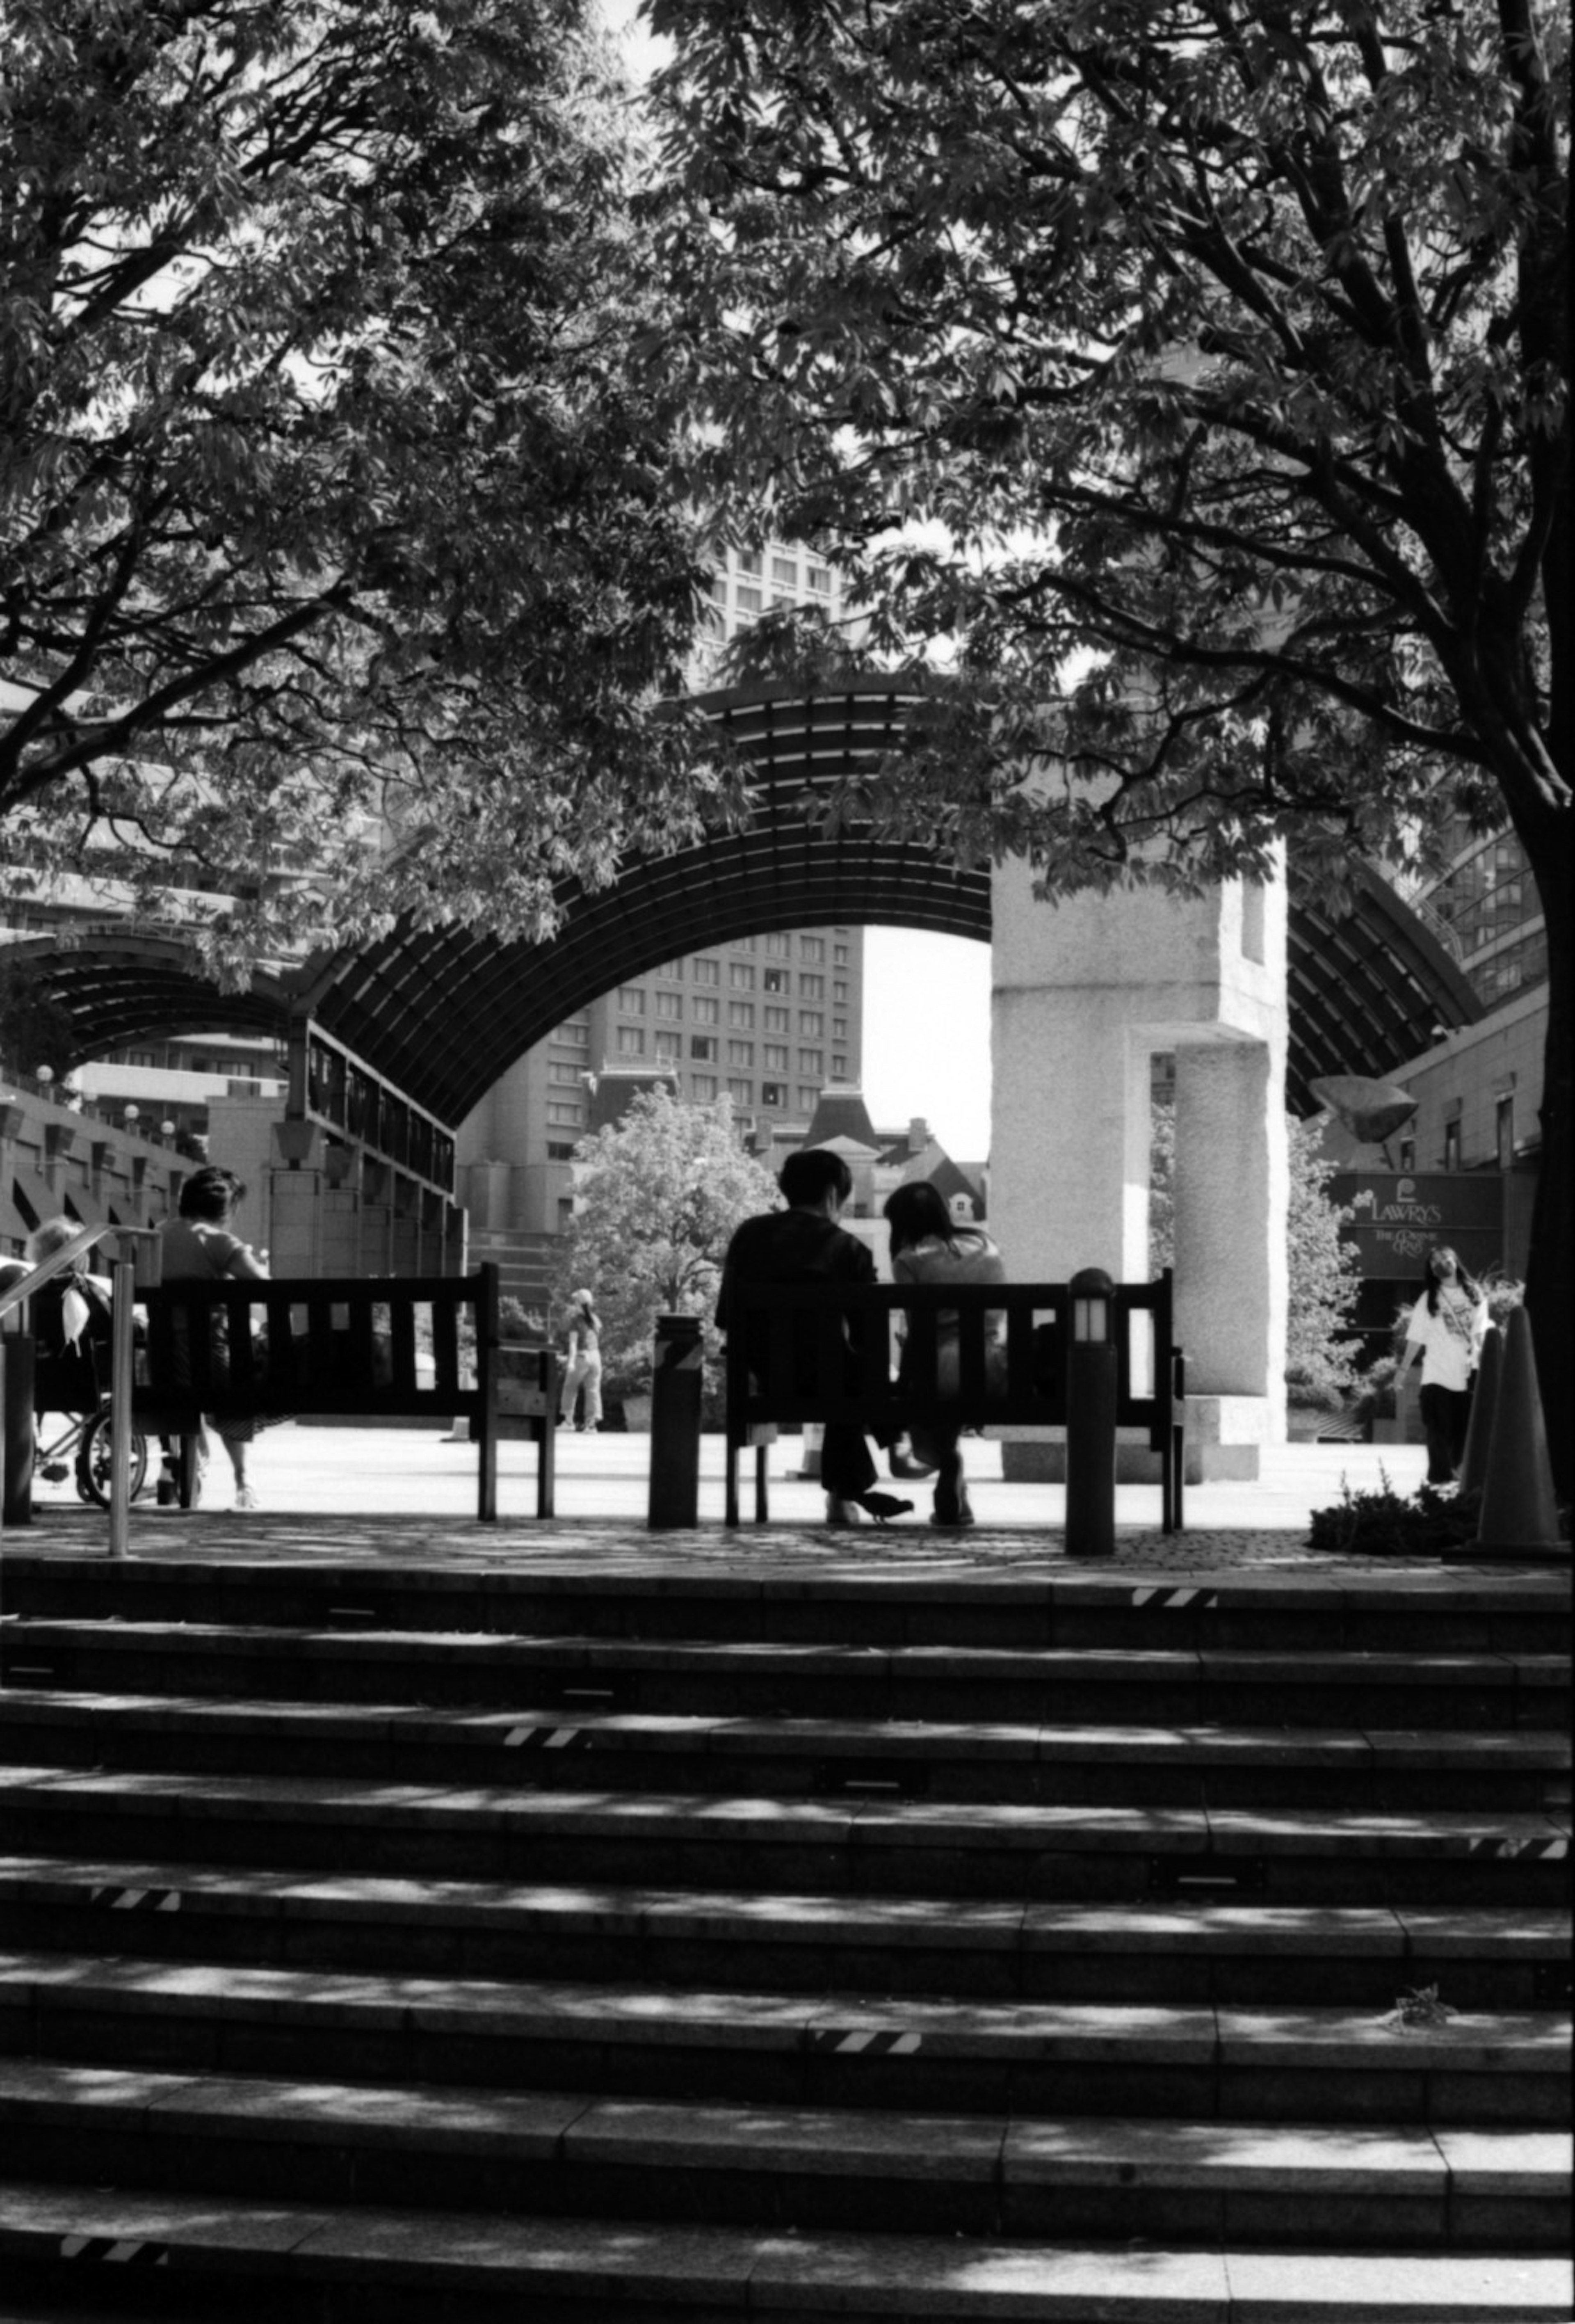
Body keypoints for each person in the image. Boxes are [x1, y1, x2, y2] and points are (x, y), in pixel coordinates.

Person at [717, 1147, 911, 1527]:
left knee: (845, 1372)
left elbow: (726, 1317)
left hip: (762, 1375)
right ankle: (846, 1493)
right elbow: (868, 1336)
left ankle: (853, 1487)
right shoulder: (848, 1249)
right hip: (830, 1380)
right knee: (851, 1372)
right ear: (832, 1195)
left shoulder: (748, 1235)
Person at [884, 1182, 1008, 1528]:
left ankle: (946, 1459)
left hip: (942, 1370)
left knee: (927, 1386)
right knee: (947, 1386)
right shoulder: (986, 1244)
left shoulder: (909, 1260)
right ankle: (960, 1500)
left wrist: (905, 1377)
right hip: (996, 1369)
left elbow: (919, 1333)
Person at [158, 1165, 269, 1510]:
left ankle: (183, 1463)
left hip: (163, 1362)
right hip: (212, 1361)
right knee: (235, 1392)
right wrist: (259, 1261)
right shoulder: (221, 1242)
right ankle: (243, 1479)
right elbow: (267, 1289)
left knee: (187, 1391)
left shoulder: (158, 1233)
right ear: (228, 1208)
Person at [1397, 1245, 1488, 1487]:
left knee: (1462, 1427)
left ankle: (1457, 1472)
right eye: (1435, 1261)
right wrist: (1403, 1370)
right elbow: (1416, 1336)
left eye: (1445, 1258)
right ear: (1432, 1271)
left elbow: (1480, 1333)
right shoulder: (1429, 1298)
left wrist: (1479, 1361)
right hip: (1436, 1374)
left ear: (1456, 1260)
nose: (1441, 1263)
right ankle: (1439, 1478)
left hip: (1467, 1372)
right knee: (1438, 1427)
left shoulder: (1475, 1294)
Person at [557, 1290, 604, 1431]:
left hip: (581, 1357)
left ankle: (569, 1422)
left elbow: (573, 1344)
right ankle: (591, 1425)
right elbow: (593, 1341)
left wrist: (570, 1361)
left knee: (570, 1387)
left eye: (575, 1302)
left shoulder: (576, 1320)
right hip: (596, 1357)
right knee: (593, 1390)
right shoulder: (596, 1320)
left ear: (578, 1303)